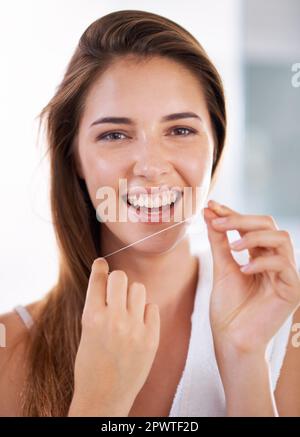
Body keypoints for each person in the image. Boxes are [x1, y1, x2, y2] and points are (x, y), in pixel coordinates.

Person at [0, 10, 299, 417]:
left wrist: (246, 359)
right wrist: (98, 404)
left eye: (180, 130)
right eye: (115, 135)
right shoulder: (9, 349)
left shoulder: (283, 325)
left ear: (215, 147)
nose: (151, 166)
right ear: (74, 159)